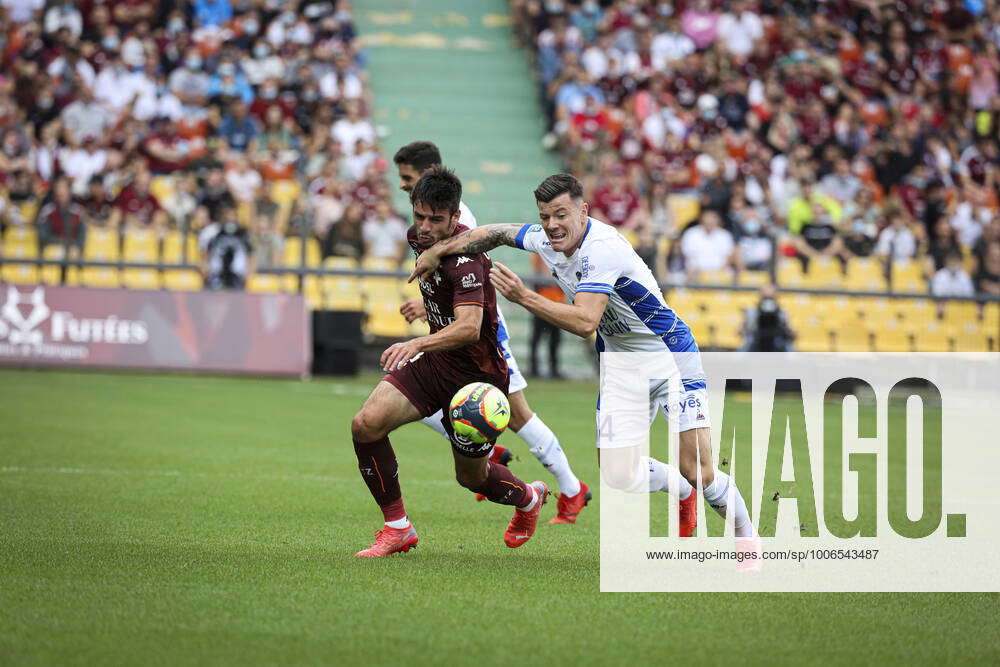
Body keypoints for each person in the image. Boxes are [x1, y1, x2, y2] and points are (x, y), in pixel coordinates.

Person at [412, 173, 760, 553]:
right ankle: (679, 491)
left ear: (583, 211)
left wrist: (524, 297)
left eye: (560, 214)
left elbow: (585, 322)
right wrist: (439, 251)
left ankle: (748, 542)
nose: (552, 225)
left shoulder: (602, 249)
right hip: (622, 366)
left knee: (700, 471)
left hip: (670, 358)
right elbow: (495, 233)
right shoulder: (546, 238)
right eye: (545, 216)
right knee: (617, 473)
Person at [351, 167, 548, 557]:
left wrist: (417, 342)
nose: (424, 227)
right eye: (419, 215)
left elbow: (470, 327)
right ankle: (398, 528)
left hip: (479, 379)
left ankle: (528, 498)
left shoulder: (468, 261)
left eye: (435, 220)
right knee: (366, 424)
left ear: (455, 218)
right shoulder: (416, 238)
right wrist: (426, 309)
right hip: (438, 364)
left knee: (471, 478)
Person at [393, 141, 590, 523]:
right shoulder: (427, 216)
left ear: (429, 172)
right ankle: (486, 448)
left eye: (408, 177)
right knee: (410, 390)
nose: (403, 185)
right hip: (457, 329)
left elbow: (470, 267)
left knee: (519, 416)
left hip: (483, 336)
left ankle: (570, 488)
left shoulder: (453, 215)